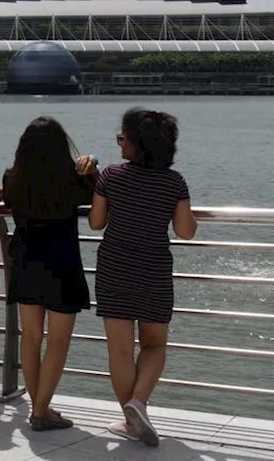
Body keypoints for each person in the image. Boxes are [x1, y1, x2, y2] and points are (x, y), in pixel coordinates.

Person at [89, 108, 196, 447]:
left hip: (115, 268)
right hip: (153, 269)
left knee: (119, 351)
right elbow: (185, 230)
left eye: (122, 137)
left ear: (136, 143)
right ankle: (139, 404)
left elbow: (95, 223)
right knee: (154, 344)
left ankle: (130, 419)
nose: (119, 142)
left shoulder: (111, 175)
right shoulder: (173, 182)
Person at [2, 117, 100, 431]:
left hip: (26, 261)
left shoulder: (12, 178)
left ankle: (39, 407)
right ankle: (41, 410)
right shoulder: (72, 181)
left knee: (31, 338)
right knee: (57, 342)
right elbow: (98, 195)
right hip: (62, 263)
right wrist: (92, 167)